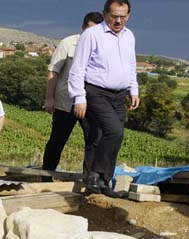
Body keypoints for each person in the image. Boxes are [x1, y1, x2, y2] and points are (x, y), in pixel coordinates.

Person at [69, 0, 140, 197]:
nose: (118, 21)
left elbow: (131, 65)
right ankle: (93, 174)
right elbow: (78, 67)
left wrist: (134, 89)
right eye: (114, 16)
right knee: (114, 131)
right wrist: (79, 97)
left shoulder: (129, 36)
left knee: (115, 138)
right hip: (95, 91)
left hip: (119, 95)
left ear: (128, 16)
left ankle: (104, 182)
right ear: (105, 14)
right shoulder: (92, 35)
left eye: (123, 17)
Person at [42, 12, 104, 174]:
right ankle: (46, 175)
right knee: (57, 140)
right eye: (89, 29)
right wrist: (49, 98)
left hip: (90, 103)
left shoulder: (103, 46)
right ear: (83, 27)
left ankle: (89, 177)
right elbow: (53, 71)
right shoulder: (68, 43)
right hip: (65, 101)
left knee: (94, 140)